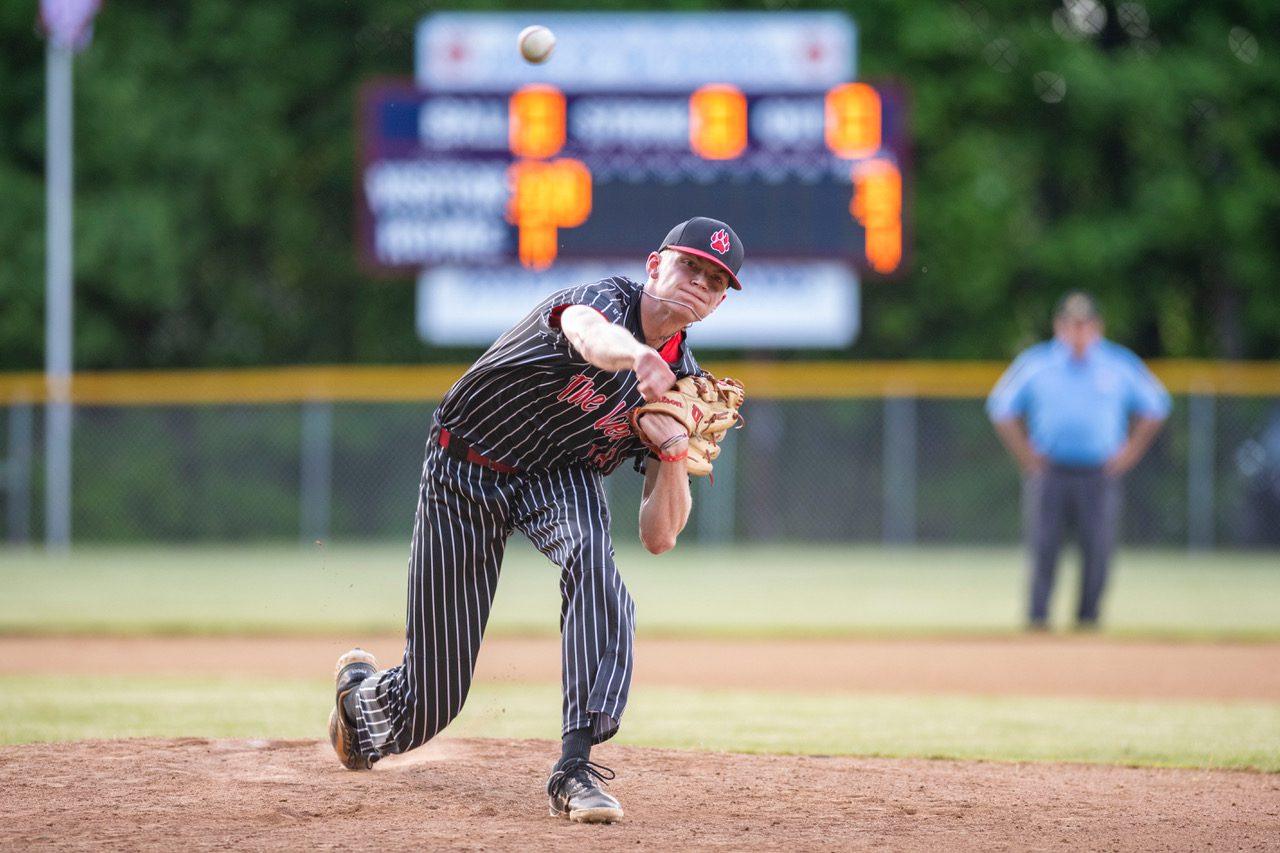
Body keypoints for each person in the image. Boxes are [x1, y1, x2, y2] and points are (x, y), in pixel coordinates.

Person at [327, 216, 745, 824]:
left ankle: (575, 769)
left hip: (558, 473)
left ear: (719, 302)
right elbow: (587, 335)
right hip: (467, 463)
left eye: (715, 280)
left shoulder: (683, 386)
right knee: (434, 700)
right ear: (655, 265)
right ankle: (361, 705)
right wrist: (638, 357)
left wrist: (675, 451)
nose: (699, 283)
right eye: (690, 265)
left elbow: (659, 537)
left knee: (594, 563)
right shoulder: (604, 301)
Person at [986, 291, 1171, 631]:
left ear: (1098, 327)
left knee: (1097, 548)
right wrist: (1025, 454)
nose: (1078, 331)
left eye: (1085, 324)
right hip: (1049, 471)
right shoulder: (1037, 363)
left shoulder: (1118, 364)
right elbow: (1001, 407)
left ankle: (1088, 620)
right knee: (1043, 547)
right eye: (1071, 324)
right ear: (1059, 326)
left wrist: (1130, 452)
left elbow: (1156, 405)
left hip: (1098, 471)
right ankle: (1038, 620)